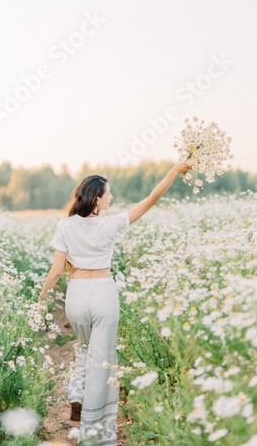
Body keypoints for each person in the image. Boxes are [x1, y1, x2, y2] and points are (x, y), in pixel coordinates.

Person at [38, 161, 192, 445]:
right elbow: (151, 199)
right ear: (96, 197)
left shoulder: (65, 225)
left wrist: (41, 297)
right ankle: (94, 431)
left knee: (83, 348)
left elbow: (57, 270)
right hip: (104, 292)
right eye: (108, 193)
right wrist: (173, 171)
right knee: (103, 359)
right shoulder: (111, 223)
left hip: (78, 294)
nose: (112, 198)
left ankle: (77, 393)